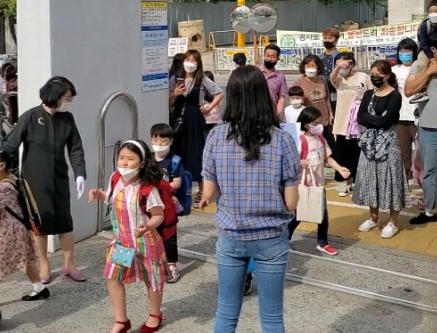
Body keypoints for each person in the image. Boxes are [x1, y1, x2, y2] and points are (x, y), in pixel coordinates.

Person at [199, 65, 300, 333]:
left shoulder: (216, 136)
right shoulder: (283, 140)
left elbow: (209, 192)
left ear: (232, 96)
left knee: (226, 314)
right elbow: (291, 203)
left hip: (231, 235)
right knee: (272, 319)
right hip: (271, 237)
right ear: (263, 96)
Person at [0, 76, 88, 283]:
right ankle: (44, 264)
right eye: (67, 97)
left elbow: (75, 148)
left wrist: (80, 173)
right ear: (54, 96)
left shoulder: (67, 119)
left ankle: (69, 263)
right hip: (34, 181)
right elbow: (10, 145)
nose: (69, 102)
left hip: (59, 177)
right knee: (39, 224)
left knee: (65, 221)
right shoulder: (31, 117)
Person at [88, 139, 167, 333]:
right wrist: (99, 194)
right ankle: (121, 321)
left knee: (152, 279)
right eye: (121, 157)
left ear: (142, 163)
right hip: (123, 242)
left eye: (130, 159)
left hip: (147, 243)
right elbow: (111, 197)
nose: (124, 162)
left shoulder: (148, 189)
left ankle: (155, 315)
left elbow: (158, 215)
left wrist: (148, 226)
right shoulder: (115, 179)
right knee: (113, 277)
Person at [0, 148, 49, 311]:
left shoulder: (4, 188)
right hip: (19, 227)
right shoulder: (9, 180)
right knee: (26, 258)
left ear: (1, 166)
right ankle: (39, 287)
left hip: (11, 230)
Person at [352, 60, 407, 239]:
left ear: (387, 75)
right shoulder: (369, 94)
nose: (374, 77)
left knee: (392, 179)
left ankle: (393, 222)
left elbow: (387, 120)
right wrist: (376, 120)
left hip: (389, 144)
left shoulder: (394, 95)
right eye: (372, 74)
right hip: (369, 144)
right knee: (370, 178)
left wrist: (372, 119)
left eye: (378, 75)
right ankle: (373, 217)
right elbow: (360, 117)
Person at [405, 29, 437, 231]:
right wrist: (429, 72)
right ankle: (429, 212)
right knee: (429, 172)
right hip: (428, 128)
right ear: (433, 49)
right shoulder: (420, 65)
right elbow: (408, 90)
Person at [288, 107, 350, 255]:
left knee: (322, 214)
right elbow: (290, 161)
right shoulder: (300, 140)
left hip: (319, 185)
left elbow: (327, 157)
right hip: (303, 185)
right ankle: (285, 238)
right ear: (306, 124)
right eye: (315, 123)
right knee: (298, 214)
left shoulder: (321, 139)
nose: (319, 126)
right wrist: (300, 162)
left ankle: (322, 242)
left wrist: (339, 168)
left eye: (320, 122)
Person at [169, 50, 223, 198]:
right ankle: (177, 188)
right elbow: (168, 102)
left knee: (197, 152)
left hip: (195, 119)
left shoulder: (202, 79)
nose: (190, 64)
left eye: (194, 61)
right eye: (188, 60)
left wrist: (209, 107)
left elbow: (219, 93)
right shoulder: (175, 79)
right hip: (178, 120)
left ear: (198, 64)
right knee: (178, 151)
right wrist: (174, 94)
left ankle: (201, 190)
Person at [330, 51, 372, 197]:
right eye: (338, 65)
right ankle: (346, 183)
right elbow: (332, 78)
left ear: (351, 63)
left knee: (358, 153)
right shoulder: (339, 78)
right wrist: (338, 68)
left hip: (359, 122)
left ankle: (359, 183)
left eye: (344, 64)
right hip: (343, 123)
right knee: (343, 154)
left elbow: (371, 94)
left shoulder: (363, 77)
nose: (342, 68)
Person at [150, 123, 183, 283]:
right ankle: (155, 262)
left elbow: (177, 182)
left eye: (163, 141)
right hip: (151, 204)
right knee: (152, 233)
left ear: (170, 141)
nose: (159, 144)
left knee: (169, 235)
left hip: (168, 204)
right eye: (156, 140)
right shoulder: (148, 159)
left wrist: (160, 187)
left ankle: (171, 265)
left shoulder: (175, 161)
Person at [393, 38, 419, 180]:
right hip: (400, 117)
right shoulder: (394, 70)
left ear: (414, 52)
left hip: (417, 117)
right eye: (402, 51)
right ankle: (405, 182)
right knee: (403, 153)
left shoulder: (420, 68)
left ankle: (421, 180)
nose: (405, 54)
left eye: (408, 51)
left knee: (421, 152)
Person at [292, 54, 333, 127]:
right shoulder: (298, 82)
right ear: (304, 67)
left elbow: (327, 99)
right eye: (308, 66)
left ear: (318, 67)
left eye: (313, 66)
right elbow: (294, 101)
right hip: (308, 121)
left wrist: (330, 113)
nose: (310, 68)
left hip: (323, 119)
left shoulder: (322, 80)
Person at [259, 44, 290, 122]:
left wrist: (278, 114)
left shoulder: (280, 76)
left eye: (273, 57)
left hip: (272, 115)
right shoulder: (255, 72)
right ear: (264, 56)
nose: (269, 59)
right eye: (267, 56)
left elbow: (281, 97)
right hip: (255, 114)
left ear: (277, 59)